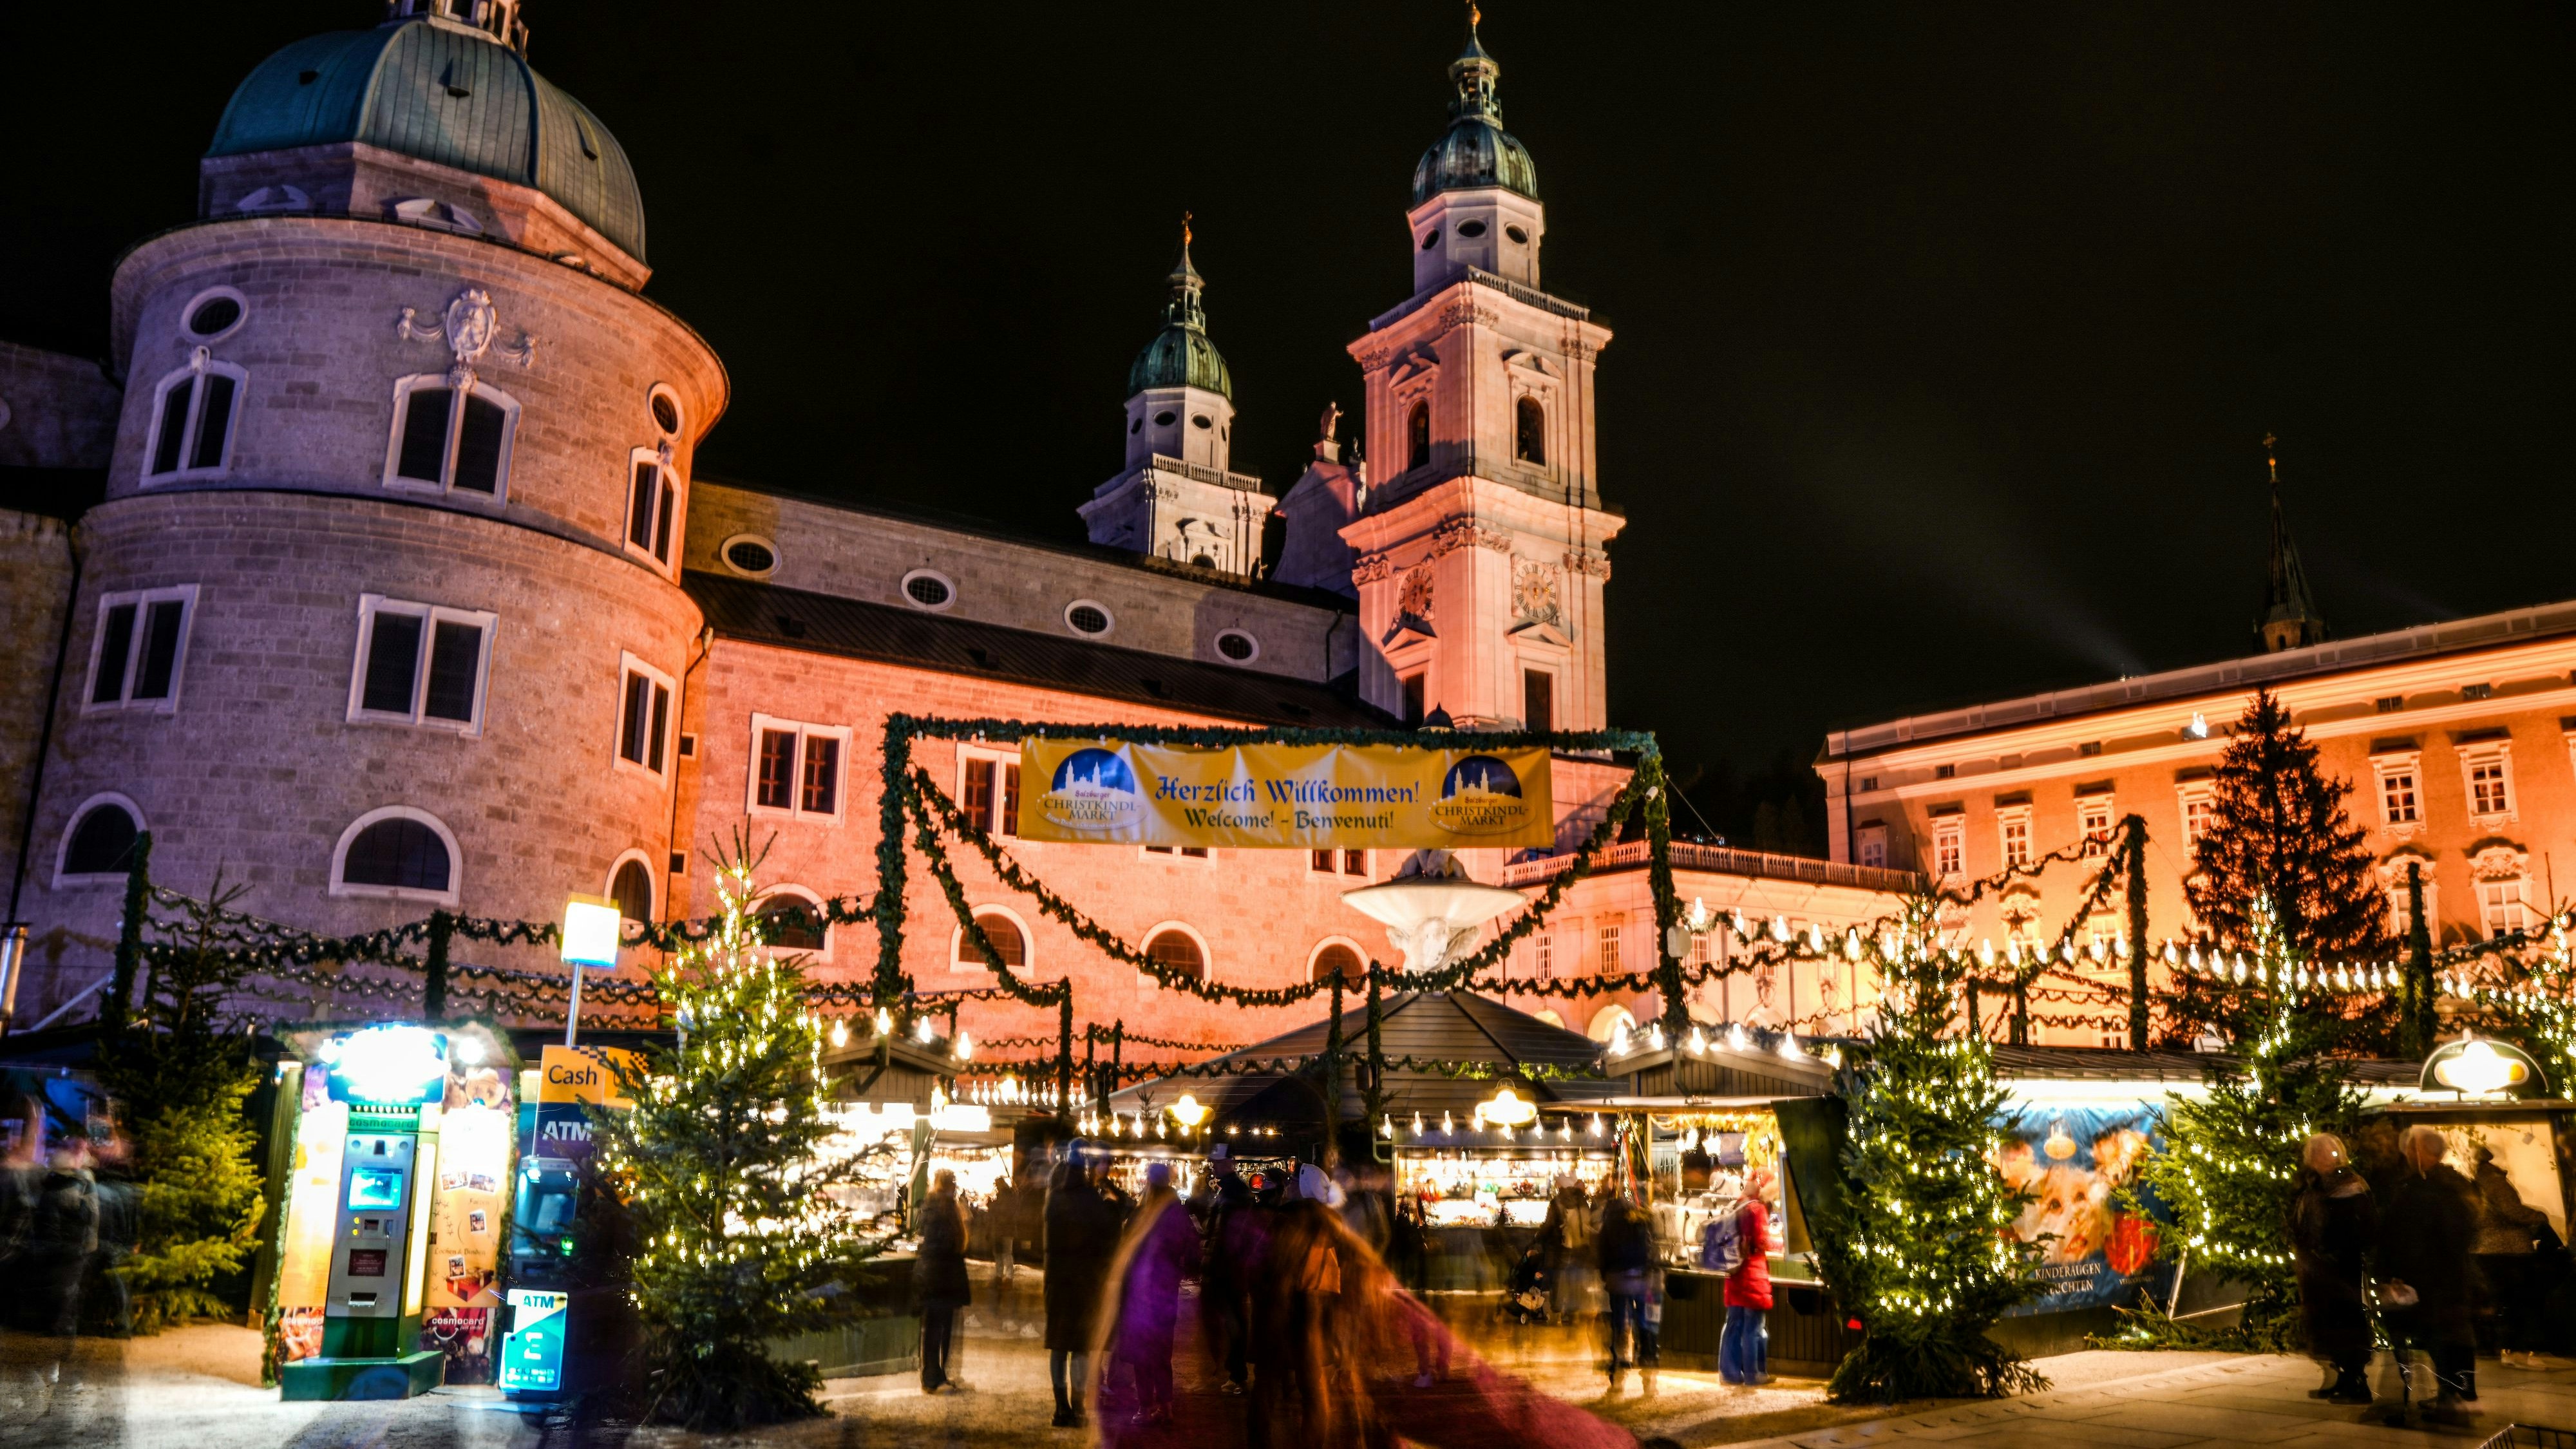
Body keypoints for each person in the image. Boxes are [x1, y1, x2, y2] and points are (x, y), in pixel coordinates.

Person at [2378, 1124, 2479, 1426]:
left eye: (2412, 1148)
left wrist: (2398, 1272)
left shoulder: (2427, 1189)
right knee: (2444, 1339)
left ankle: (2447, 1399)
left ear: (2422, 1152)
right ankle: (2451, 1396)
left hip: (2428, 1282)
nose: (2407, 1153)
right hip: (2443, 1280)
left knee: (2436, 1340)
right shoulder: (2452, 1185)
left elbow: (2413, 1236)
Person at [1099, 1160, 1201, 1431]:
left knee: (1143, 1352)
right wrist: (1176, 1272)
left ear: (1148, 1181)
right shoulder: (1178, 1214)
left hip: (1141, 1294)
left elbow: (1127, 1249)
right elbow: (1194, 1253)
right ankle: (1166, 1406)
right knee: (1162, 1351)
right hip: (1165, 1294)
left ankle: (1145, 1407)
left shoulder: (1143, 1213)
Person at [2288, 1133, 2375, 1403]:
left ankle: (2356, 1381)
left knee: (2346, 1320)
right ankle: (2341, 1376)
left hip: (2340, 1266)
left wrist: (2333, 1252)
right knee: (2325, 1322)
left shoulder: (2350, 1186)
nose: (2325, 1159)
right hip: (2314, 1268)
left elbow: (2364, 1227)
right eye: (2318, 1154)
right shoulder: (2309, 1185)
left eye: (2330, 1153)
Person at [1043, 1148, 1123, 1429]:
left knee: (1058, 1345)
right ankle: (1077, 1407)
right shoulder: (1091, 1199)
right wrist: (1112, 1206)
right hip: (1085, 1281)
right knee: (1079, 1347)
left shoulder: (1053, 1199)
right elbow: (1108, 1236)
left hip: (1057, 1281)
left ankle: (1060, 1408)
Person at [2469, 1144, 2553, 1369]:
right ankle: (2519, 1353)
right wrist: (2540, 1216)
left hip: (2485, 1249)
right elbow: (2512, 1210)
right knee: (2519, 1301)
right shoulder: (2495, 1181)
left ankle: (2504, 1349)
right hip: (2508, 1248)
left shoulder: (2476, 1182)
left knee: (2500, 1302)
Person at [1200, 1144, 1258, 1396]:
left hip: (1229, 1269)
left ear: (1230, 1163)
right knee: (1232, 1321)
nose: (1214, 1166)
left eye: (1217, 1162)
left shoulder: (1235, 1194)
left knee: (1234, 1322)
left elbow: (1232, 1235)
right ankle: (1235, 1371)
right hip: (1228, 1268)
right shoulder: (1231, 1191)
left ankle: (1237, 1373)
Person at [914, 1168, 971, 1394]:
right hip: (947, 1275)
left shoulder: (928, 1207)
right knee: (944, 1327)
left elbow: (923, 1238)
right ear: (951, 1186)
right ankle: (937, 1374)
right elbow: (954, 1243)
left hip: (932, 1275)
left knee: (932, 1328)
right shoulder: (950, 1210)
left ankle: (932, 1376)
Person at [1596, 1190, 1658, 1394]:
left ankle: (1619, 1372)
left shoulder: (1609, 1224)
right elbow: (1651, 1249)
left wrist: (1606, 1276)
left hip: (1618, 1281)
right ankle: (1649, 1371)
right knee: (1646, 1323)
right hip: (1642, 1280)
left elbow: (1602, 1254)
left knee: (1620, 1325)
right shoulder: (1640, 1220)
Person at [1720, 1168, 1775, 1387]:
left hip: (1734, 1276)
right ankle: (1754, 1375)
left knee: (1733, 1325)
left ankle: (1730, 1374)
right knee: (1754, 1329)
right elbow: (1762, 1242)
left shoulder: (1737, 1204)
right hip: (1753, 1275)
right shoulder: (1757, 1209)